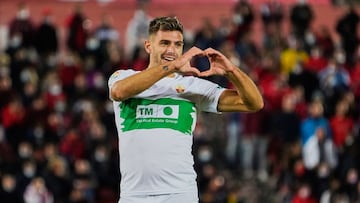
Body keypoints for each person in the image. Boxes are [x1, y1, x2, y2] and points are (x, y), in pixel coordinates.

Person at [108, 16, 263, 203]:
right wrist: (171, 67)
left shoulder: (192, 87)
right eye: (164, 43)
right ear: (148, 46)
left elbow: (253, 103)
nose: (172, 50)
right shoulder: (124, 77)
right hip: (134, 195)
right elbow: (118, 92)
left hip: (179, 193)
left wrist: (232, 71)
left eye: (178, 44)